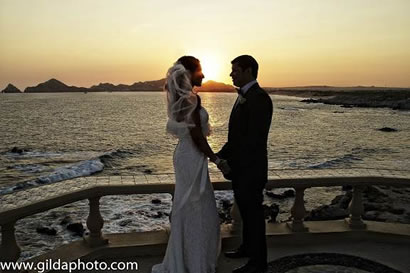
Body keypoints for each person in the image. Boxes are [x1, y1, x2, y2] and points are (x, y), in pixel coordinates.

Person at [151, 56, 226, 273]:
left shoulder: (180, 100)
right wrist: (217, 159)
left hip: (184, 156)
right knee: (200, 208)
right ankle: (197, 262)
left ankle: (185, 258)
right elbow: (197, 137)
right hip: (192, 156)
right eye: (200, 71)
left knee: (189, 206)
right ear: (189, 74)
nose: (203, 75)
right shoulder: (193, 100)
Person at [216, 55, 273, 273]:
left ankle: (258, 264)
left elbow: (253, 140)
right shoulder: (244, 96)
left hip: (251, 170)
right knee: (247, 214)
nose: (231, 74)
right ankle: (247, 248)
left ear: (248, 71)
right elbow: (236, 138)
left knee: (254, 217)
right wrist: (218, 155)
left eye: (235, 70)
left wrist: (230, 164)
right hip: (243, 170)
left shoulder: (259, 98)